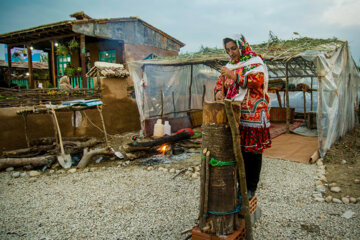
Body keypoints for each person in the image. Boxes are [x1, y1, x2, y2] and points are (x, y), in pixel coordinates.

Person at [215, 34, 271, 198]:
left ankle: (251, 186)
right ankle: (240, 185)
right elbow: (219, 83)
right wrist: (219, 92)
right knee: (237, 151)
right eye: (228, 50)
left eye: (234, 48)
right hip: (235, 113)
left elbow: (255, 81)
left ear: (242, 46)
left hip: (253, 114)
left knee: (252, 152)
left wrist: (233, 75)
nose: (231, 53)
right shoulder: (229, 65)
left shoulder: (255, 62)